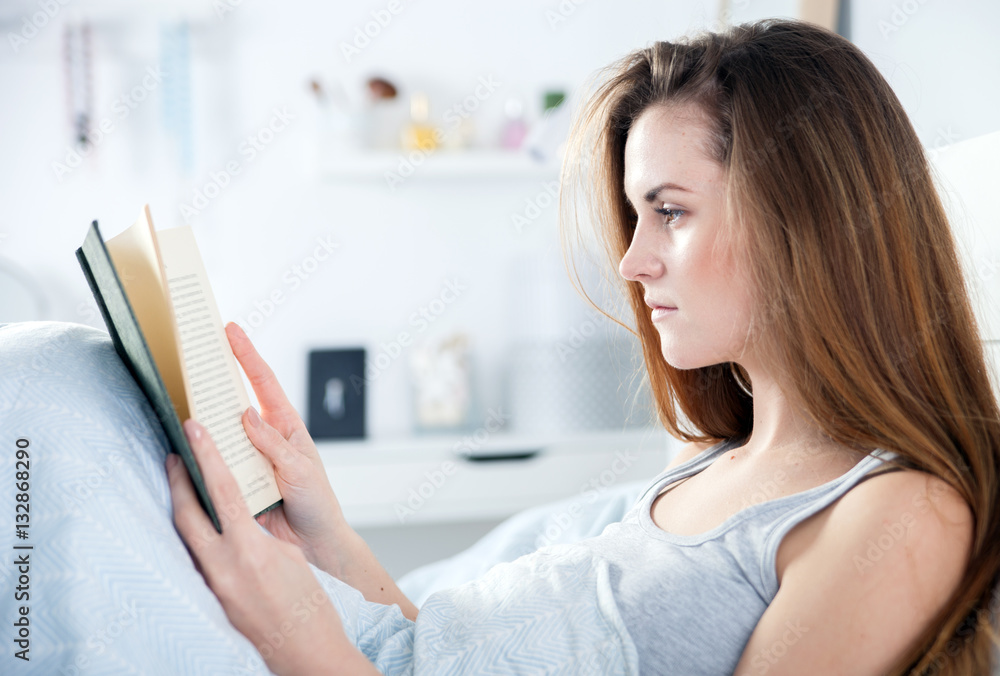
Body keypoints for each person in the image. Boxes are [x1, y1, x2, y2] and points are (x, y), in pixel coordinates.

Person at [166, 17, 1000, 675]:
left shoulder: (901, 514)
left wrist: (300, 646)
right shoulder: (710, 464)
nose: (634, 264)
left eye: (669, 211)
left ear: (805, 220)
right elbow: (458, 655)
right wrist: (329, 540)